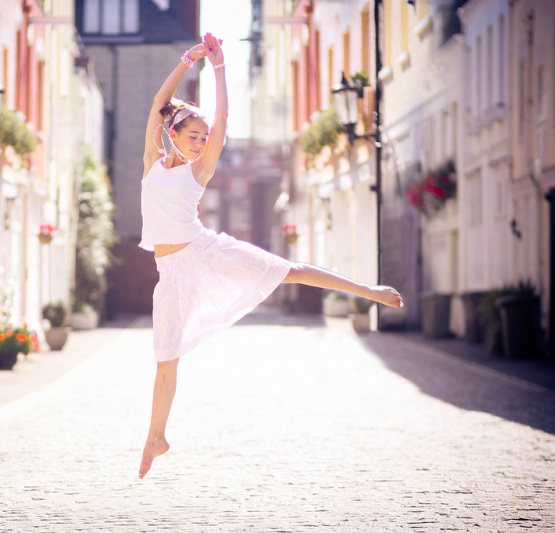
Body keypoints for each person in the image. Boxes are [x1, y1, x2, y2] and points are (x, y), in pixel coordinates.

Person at [138, 33, 404, 479]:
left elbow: (222, 116)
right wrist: (188, 60)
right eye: (194, 135)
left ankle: (367, 290)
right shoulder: (151, 161)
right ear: (173, 134)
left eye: (205, 137)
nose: (202, 142)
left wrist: (220, 67)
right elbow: (157, 103)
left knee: (289, 271)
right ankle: (155, 438)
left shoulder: (200, 169)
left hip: (205, 253)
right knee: (165, 362)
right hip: (170, 274)